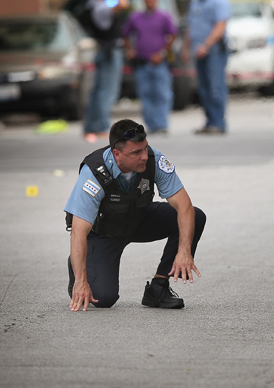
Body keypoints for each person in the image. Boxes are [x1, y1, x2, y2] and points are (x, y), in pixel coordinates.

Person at [64, 119, 207, 311]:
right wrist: (81, 282)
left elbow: (184, 207)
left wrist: (184, 250)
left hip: (138, 220)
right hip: (105, 233)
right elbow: (78, 233)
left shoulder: (154, 159)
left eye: (144, 148)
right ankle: (82, 266)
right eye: (135, 152)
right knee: (103, 298)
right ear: (117, 154)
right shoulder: (94, 173)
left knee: (195, 217)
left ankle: (158, 287)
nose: (144, 157)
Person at [122, 0, 177, 135]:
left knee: (162, 94)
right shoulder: (135, 17)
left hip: (159, 63)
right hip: (142, 62)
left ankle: (161, 124)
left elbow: (173, 35)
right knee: (146, 94)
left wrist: (162, 53)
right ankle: (152, 125)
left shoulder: (164, 17)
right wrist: (130, 50)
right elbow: (125, 34)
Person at [82, 0, 130, 143]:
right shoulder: (101, 7)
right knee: (107, 91)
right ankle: (102, 126)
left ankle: (91, 126)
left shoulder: (92, 6)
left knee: (98, 91)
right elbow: (123, 5)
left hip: (103, 50)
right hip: (110, 51)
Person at [182, 0, 231, 135]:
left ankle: (218, 123)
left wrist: (206, 45)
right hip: (198, 52)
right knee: (204, 89)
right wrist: (186, 48)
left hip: (214, 51)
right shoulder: (195, 3)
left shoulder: (219, 3)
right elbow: (191, 26)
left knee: (215, 87)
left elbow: (220, 26)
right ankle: (210, 122)